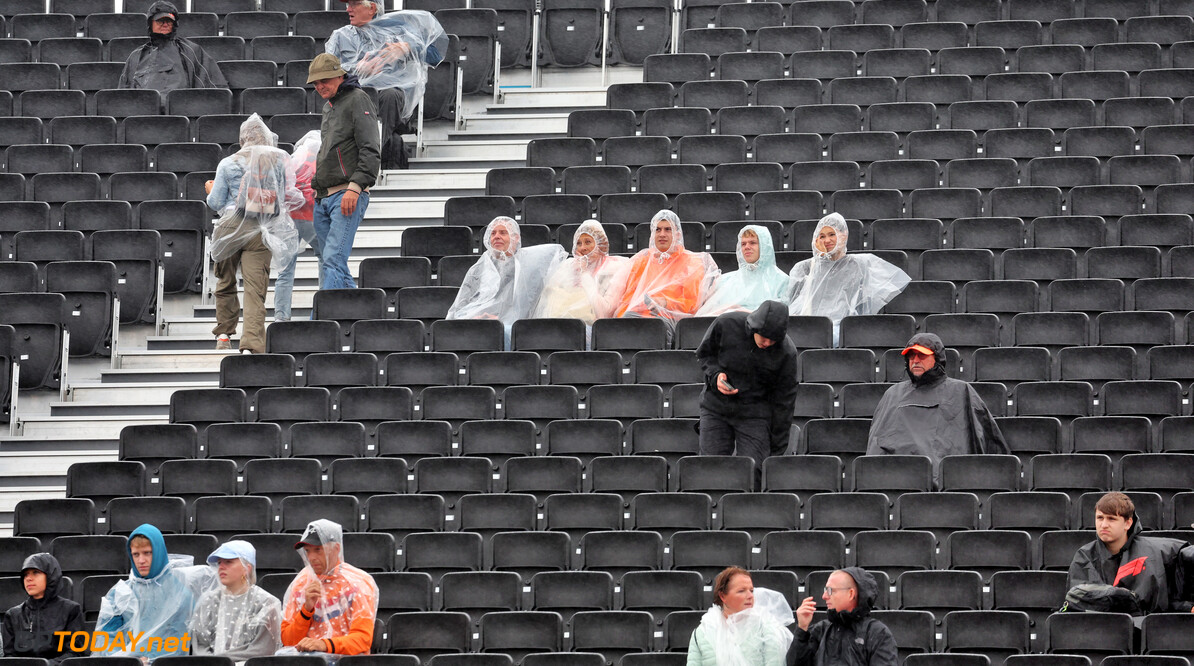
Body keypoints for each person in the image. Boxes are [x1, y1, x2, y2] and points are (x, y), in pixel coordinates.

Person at [206, 114, 303, 353]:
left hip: (230, 225)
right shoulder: (278, 160)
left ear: (242, 138)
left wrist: (209, 190)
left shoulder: (228, 163)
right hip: (261, 228)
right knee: (254, 287)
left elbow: (215, 201)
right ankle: (251, 344)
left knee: (226, 280)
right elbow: (286, 196)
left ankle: (224, 335)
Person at [866, 333, 1009, 484]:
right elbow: (877, 443)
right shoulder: (893, 394)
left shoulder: (961, 390)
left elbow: (988, 439)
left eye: (921, 355)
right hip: (900, 481)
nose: (915, 360)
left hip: (952, 484)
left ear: (937, 359)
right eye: (911, 356)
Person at [324, 0, 447, 170]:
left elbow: (435, 56)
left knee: (390, 95)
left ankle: (369, 158)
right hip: (352, 97)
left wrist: (408, 46)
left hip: (390, 100)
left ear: (372, 8)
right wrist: (354, 73)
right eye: (347, 5)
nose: (348, 9)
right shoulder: (340, 36)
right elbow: (324, 74)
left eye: (354, 4)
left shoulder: (397, 30)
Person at [307, 53, 382, 291]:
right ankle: (360, 314)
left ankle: (323, 322)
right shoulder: (329, 106)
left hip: (346, 194)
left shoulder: (358, 99)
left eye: (324, 80)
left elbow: (371, 148)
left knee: (333, 259)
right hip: (323, 197)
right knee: (333, 263)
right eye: (316, 83)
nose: (320, 86)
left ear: (340, 76)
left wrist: (356, 186)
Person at [696, 300, 800, 471]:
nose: (767, 343)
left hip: (755, 412)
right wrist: (715, 376)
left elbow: (785, 402)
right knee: (710, 468)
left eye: (772, 340)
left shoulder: (787, 353)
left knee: (754, 471)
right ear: (754, 327)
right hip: (716, 407)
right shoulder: (726, 323)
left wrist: (776, 449)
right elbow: (704, 354)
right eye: (764, 337)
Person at [95, 524, 218, 662]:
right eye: (136, 554)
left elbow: (177, 640)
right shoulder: (120, 593)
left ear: (158, 552)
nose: (141, 560)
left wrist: (149, 660)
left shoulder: (181, 590)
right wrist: (129, 661)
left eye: (147, 552)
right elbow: (107, 639)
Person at [786, 213, 910, 346]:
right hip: (809, 327)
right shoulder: (805, 267)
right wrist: (819, 262)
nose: (827, 240)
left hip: (843, 329)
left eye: (832, 234)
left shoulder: (859, 264)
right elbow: (794, 303)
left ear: (843, 235)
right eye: (822, 236)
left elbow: (893, 279)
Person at [1067, 492, 1194, 616]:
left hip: (1150, 628)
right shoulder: (1085, 555)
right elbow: (1078, 597)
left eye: (1111, 519)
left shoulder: (1158, 551)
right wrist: (1126, 598)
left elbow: (1187, 559)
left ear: (1128, 523)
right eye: (1100, 518)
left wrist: (1189, 607)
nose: (1104, 525)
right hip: (1101, 629)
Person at [446, 216, 567, 346]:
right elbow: (461, 305)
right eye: (493, 233)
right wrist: (474, 317)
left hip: (513, 329)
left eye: (503, 232)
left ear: (516, 238)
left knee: (506, 332)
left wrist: (499, 320)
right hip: (480, 324)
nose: (496, 236)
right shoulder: (478, 269)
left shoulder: (529, 265)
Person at [279, 519, 379, 657]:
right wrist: (306, 610)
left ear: (336, 549)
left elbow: (362, 640)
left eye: (318, 550)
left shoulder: (358, 582)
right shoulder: (300, 584)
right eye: (307, 551)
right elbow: (288, 641)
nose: (311, 557)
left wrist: (324, 645)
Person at [613, 210, 720, 329]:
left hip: (670, 319)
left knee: (656, 327)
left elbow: (693, 303)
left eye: (668, 229)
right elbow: (628, 299)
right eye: (657, 230)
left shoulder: (691, 263)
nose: (662, 234)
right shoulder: (642, 262)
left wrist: (666, 303)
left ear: (678, 234)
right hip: (636, 316)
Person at [189, 540, 283, 660]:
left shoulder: (266, 603)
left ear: (246, 568)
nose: (221, 567)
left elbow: (263, 650)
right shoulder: (208, 601)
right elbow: (200, 645)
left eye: (228, 562)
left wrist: (220, 662)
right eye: (219, 562)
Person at [788, 568, 898, 666]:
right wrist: (802, 629)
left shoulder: (878, 633)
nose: (824, 596)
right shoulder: (820, 630)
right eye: (825, 590)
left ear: (851, 594)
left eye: (830, 590)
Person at [686, 567, 794, 666]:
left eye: (751, 590)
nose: (750, 596)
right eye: (741, 591)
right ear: (722, 596)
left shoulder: (766, 627)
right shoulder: (702, 632)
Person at [533, 219, 629, 325]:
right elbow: (549, 305)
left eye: (588, 242)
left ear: (601, 244)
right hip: (560, 324)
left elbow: (605, 313)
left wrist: (584, 274)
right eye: (579, 243)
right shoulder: (568, 266)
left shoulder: (615, 267)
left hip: (593, 327)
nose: (582, 247)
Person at [118, 1, 227, 93]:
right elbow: (125, 96)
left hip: (181, 114)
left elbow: (214, 90)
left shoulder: (190, 51)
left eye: (169, 21)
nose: (165, 24)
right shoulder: (136, 55)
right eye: (161, 21)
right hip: (143, 114)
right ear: (150, 23)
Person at [273, 130, 325, 323]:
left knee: (286, 269)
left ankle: (281, 316)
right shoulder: (323, 160)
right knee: (325, 260)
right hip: (313, 216)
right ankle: (324, 310)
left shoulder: (292, 160)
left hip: (290, 219)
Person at [1, 553, 86, 664]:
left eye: (36, 573)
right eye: (25, 575)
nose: (29, 579)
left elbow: (75, 652)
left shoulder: (71, 610)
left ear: (51, 576)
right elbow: (10, 657)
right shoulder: (13, 615)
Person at [697, 226, 790, 317]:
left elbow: (781, 318)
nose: (747, 247)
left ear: (764, 246)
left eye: (752, 243)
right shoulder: (724, 281)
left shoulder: (782, 281)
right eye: (743, 244)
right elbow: (706, 317)